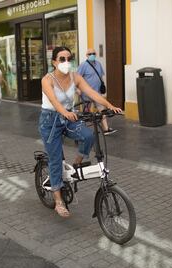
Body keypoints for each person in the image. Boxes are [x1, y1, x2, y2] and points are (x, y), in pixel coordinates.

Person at [39, 46, 122, 218]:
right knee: (55, 160)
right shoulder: (47, 79)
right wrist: (65, 113)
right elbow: (54, 101)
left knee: (89, 135)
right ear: (54, 62)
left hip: (69, 117)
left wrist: (109, 106)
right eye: (62, 59)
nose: (66, 62)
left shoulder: (75, 77)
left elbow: (92, 92)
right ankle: (58, 201)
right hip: (50, 121)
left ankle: (76, 164)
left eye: (69, 58)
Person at [77, 48, 116, 135]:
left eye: (93, 53)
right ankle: (85, 130)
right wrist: (78, 89)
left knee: (102, 110)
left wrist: (102, 85)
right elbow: (77, 78)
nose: (92, 55)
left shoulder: (98, 64)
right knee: (87, 113)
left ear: (96, 54)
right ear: (86, 55)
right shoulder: (83, 65)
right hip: (87, 93)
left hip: (97, 93)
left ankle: (105, 129)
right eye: (90, 54)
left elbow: (101, 76)